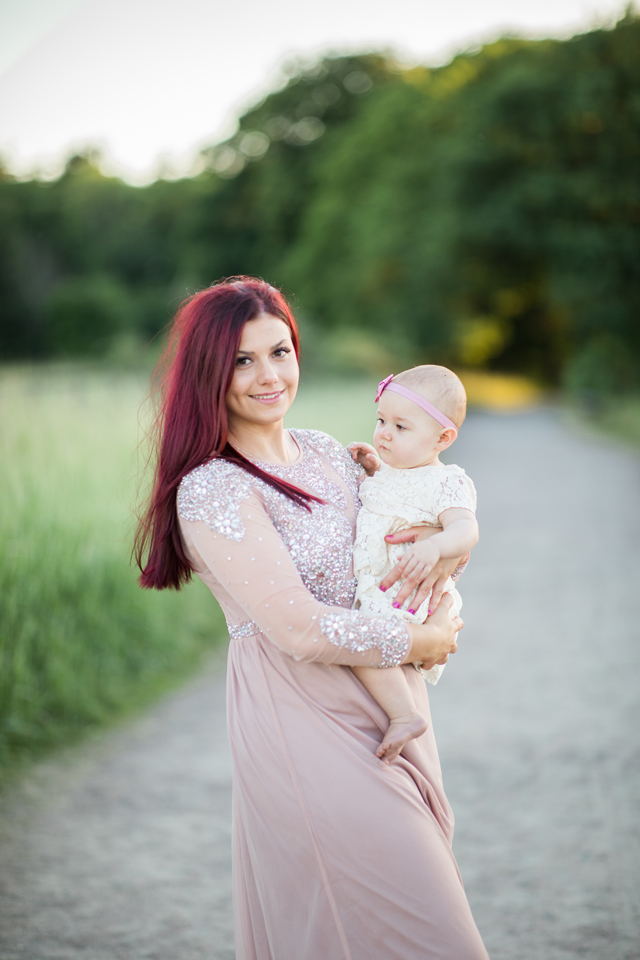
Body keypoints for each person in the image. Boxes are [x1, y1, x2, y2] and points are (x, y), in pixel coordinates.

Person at [135, 277, 489, 960]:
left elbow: (402, 536)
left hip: (391, 698)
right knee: (430, 930)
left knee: (396, 913)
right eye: (243, 360)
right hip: (298, 710)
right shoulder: (212, 487)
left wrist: (448, 554)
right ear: (210, 370)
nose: (269, 375)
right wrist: (426, 637)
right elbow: (298, 629)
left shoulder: (330, 451)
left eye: (280, 351)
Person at [347, 365, 478, 763]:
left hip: (409, 590)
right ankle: (399, 710)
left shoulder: (446, 482)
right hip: (384, 587)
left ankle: (405, 715)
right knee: (368, 640)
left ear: (443, 438)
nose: (384, 432)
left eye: (400, 427)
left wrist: (437, 547)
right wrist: (372, 469)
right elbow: (382, 499)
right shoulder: (390, 470)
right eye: (381, 420)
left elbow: (466, 529)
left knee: (364, 642)